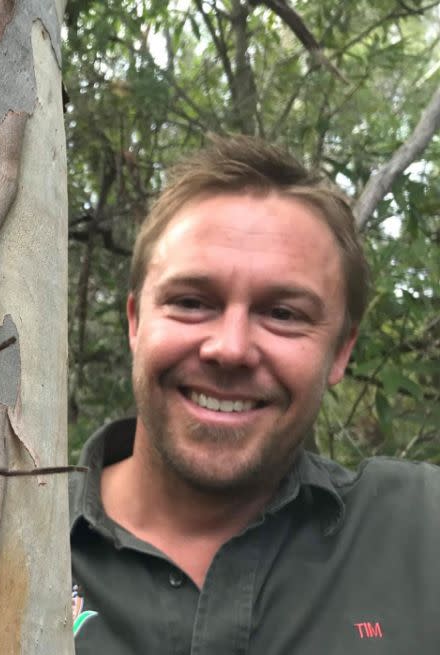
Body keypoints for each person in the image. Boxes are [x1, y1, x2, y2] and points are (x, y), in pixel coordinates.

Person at [69, 136, 440, 653]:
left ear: (340, 353)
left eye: (283, 314)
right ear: (135, 321)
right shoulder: (4, 528)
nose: (231, 348)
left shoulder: (421, 530)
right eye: (192, 302)